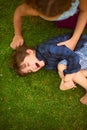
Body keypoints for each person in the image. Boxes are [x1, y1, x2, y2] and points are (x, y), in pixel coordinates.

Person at [12, 34, 87, 105]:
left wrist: (67, 77)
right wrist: (64, 79)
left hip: (84, 47)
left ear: (29, 52)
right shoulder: (46, 65)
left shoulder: (47, 49)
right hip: (81, 58)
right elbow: (63, 71)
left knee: (63, 67)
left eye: (27, 64)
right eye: (30, 71)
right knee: (70, 71)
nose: (32, 68)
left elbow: (72, 57)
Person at [10, 0, 87, 50]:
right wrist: (17, 34)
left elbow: (85, 11)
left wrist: (74, 40)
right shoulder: (34, 9)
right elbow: (18, 12)